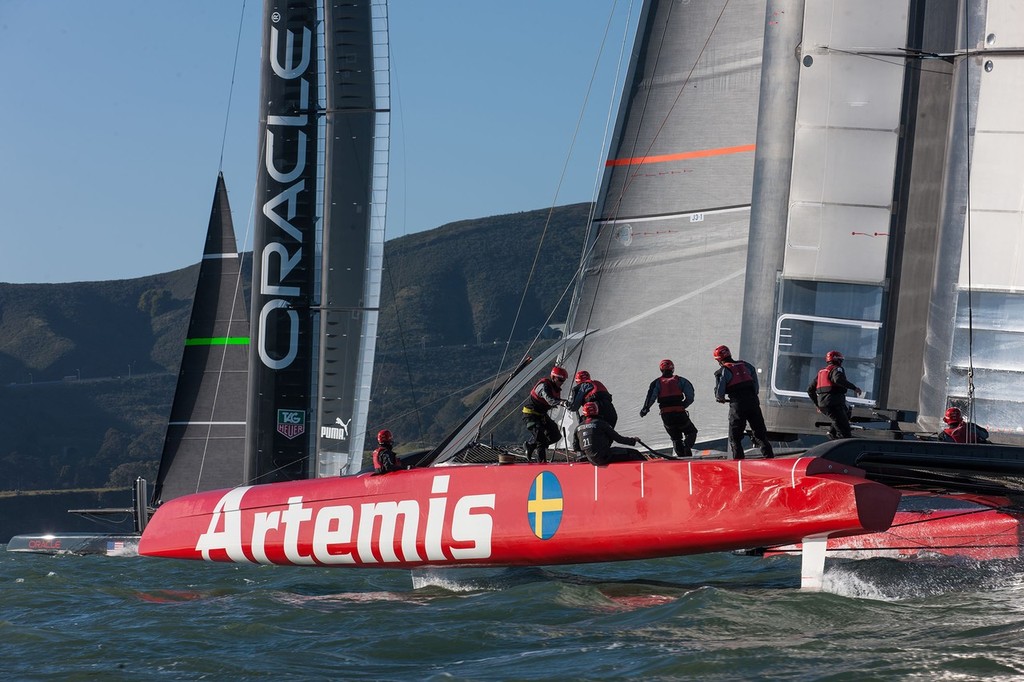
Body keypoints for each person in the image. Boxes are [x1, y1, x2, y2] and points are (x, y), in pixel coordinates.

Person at [712, 345, 774, 460]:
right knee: (760, 434)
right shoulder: (746, 365)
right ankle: (770, 458)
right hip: (753, 403)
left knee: (735, 438)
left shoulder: (723, 371)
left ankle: (738, 463)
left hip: (738, 405)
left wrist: (720, 398)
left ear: (719, 360)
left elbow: (719, 394)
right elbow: (755, 388)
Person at [640, 359, 698, 458]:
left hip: (666, 415)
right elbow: (690, 396)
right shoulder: (681, 380)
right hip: (680, 413)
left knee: (675, 438)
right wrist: (684, 405)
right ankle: (687, 446)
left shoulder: (656, 383)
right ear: (673, 369)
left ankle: (681, 457)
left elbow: (651, 398)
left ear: (661, 369)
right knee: (691, 432)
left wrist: (645, 410)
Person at [806, 350, 863, 439]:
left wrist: (818, 405)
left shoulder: (821, 373)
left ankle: (831, 432)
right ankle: (840, 443)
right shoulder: (837, 369)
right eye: (841, 360)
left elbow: (810, 390)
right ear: (838, 360)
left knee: (846, 411)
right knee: (845, 432)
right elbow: (838, 380)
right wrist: (854, 388)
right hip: (834, 404)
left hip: (824, 405)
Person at [521, 365, 568, 463]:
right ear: (554, 377)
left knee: (555, 435)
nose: (561, 383)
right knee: (540, 437)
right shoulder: (544, 386)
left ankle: (531, 446)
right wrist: (561, 402)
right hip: (530, 414)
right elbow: (550, 400)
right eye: (560, 380)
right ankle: (541, 462)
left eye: (563, 380)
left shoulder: (556, 390)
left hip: (541, 415)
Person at [573, 402, 640, 466]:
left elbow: (576, 447)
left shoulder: (578, 428)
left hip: (591, 460)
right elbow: (618, 439)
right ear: (596, 410)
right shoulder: (601, 423)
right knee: (634, 453)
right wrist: (633, 440)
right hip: (605, 457)